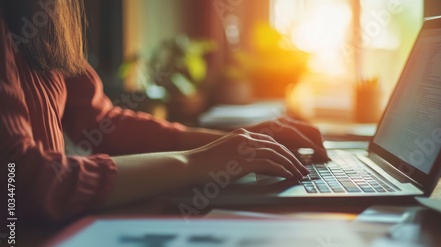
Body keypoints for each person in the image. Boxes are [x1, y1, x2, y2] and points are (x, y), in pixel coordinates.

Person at [0, 0, 328, 223]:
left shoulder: (45, 17)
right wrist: (196, 161)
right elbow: (22, 180)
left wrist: (239, 143)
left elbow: (101, 122)